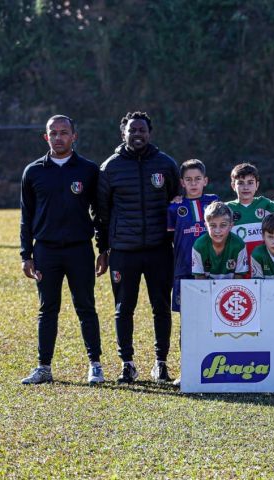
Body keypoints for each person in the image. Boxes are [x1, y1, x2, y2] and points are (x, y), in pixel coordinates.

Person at [19, 115, 105, 385]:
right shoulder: (33, 171)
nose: (58, 137)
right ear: (46, 137)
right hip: (46, 251)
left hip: (80, 250)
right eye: (53, 133)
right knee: (47, 309)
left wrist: (103, 249)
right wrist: (26, 254)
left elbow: (100, 213)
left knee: (86, 307)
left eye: (64, 132)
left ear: (74, 136)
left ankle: (95, 365)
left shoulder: (89, 170)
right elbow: (26, 216)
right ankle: (44, 367)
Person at [98, 111, 180, 384]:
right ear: (123, 133)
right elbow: (101, 212)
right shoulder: (110, 167)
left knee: (160, 307)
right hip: (124, 251)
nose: (137, 135)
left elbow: (175, 205)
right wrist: (104, 248)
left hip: (158, 250)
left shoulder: (166, 164)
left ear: (150, 133)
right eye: (132, 130)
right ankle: (127, 363)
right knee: (124, 308)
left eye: (142, 130)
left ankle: (161, 363)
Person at [168, 159, 219, 311]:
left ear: (205, 181)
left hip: (212, 266)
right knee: (187, 312)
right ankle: (185, 336)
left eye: (197, 179)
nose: (193, 183)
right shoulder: (174, 207)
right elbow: (170, 239)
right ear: (182, 183)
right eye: (188, 180)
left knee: (213, 310)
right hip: (184, 267)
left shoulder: (214, 202)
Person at [226, 163, 274, 270]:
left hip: (263, 266)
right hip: (237, 267)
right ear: (233, 186)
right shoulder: (226, 209)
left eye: (250, 183)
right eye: (241, 183)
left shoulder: (266, 204)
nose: (246, 187)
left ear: (257, 185)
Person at [191, 202, 249, 279]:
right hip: (207, 289)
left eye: (223, 225)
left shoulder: (239, 245)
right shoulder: (199, 245)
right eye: (212, 225)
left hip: (230, 289)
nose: (217, 231)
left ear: (231, 226)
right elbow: (199, 278)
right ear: (206, 226)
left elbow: (239, 277)